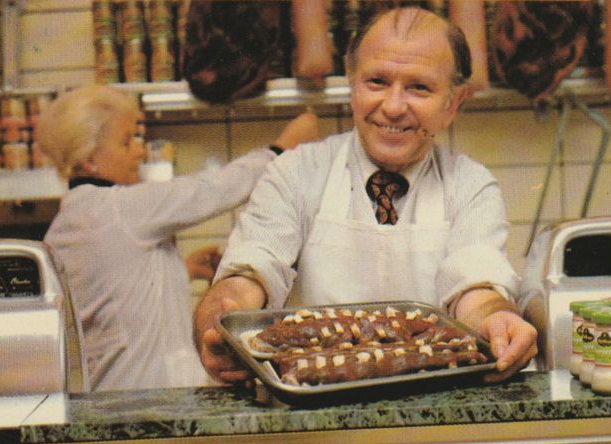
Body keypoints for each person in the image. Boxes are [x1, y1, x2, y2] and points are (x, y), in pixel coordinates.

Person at [194, 5, 537, 386]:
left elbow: (476, 287)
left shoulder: (470, 185)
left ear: (452, 104)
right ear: (352, 85)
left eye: (419, 87)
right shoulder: (298, 172)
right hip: (310, 416)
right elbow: (249, 272)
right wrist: (220, 319)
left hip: (435, 415)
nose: (393, 107)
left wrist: (497, 319)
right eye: (376, 82)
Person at [37, 85, 319, 391]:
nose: (140, 151)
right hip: (149, 400)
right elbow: (215, 189)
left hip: (109, 392)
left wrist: (183, 270)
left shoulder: (67, 223)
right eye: (127, 140)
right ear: (89, 159)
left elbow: (110, 297)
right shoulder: (118, 207)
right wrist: (280, 150)